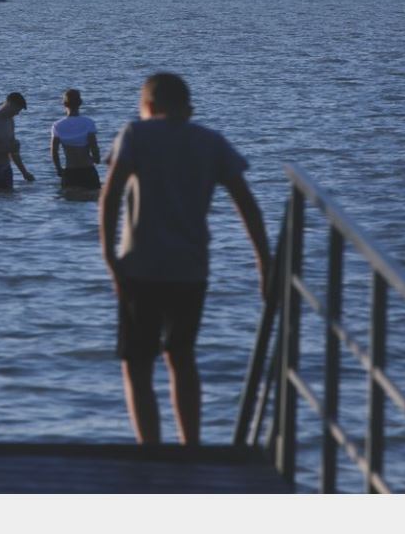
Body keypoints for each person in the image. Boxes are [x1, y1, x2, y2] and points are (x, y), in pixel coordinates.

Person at [99, 72, 270, 446]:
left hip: (139, 267)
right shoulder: (210, 141)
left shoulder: (135, 134)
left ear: (148, 106)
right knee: (181, 357)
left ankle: (151, 448)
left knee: (138, 363)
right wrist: (264, 262)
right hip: (190, 269)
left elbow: (109, 196)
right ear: (188, 109)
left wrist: (109, 255)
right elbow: (247, 205)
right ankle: (189, 445)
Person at [50, 89, 101, 189]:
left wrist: (58, 169)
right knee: (92, 199)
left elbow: (54, 151)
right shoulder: (88, 123)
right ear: (80, 103)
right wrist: (97, 159)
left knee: (70, 201)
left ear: (64, 104)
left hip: (70, 171)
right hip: (88, 170)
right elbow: (94, 146)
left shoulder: (57, 125)